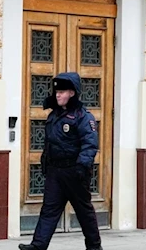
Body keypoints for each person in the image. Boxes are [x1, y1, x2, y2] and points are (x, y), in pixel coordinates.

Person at [19, 72, 102, 250]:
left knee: (84, 212)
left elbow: (90, 144)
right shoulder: (54, 115)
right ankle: (38, 245)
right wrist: (45, 162)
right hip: (56, 172)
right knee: (49, 210)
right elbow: (50, 143)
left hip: (75, 172)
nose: (57, 94)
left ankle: (94, 247)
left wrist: (82, 166)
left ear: (72, 93)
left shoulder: (83, 117)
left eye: (62, 91)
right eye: (57, 91)